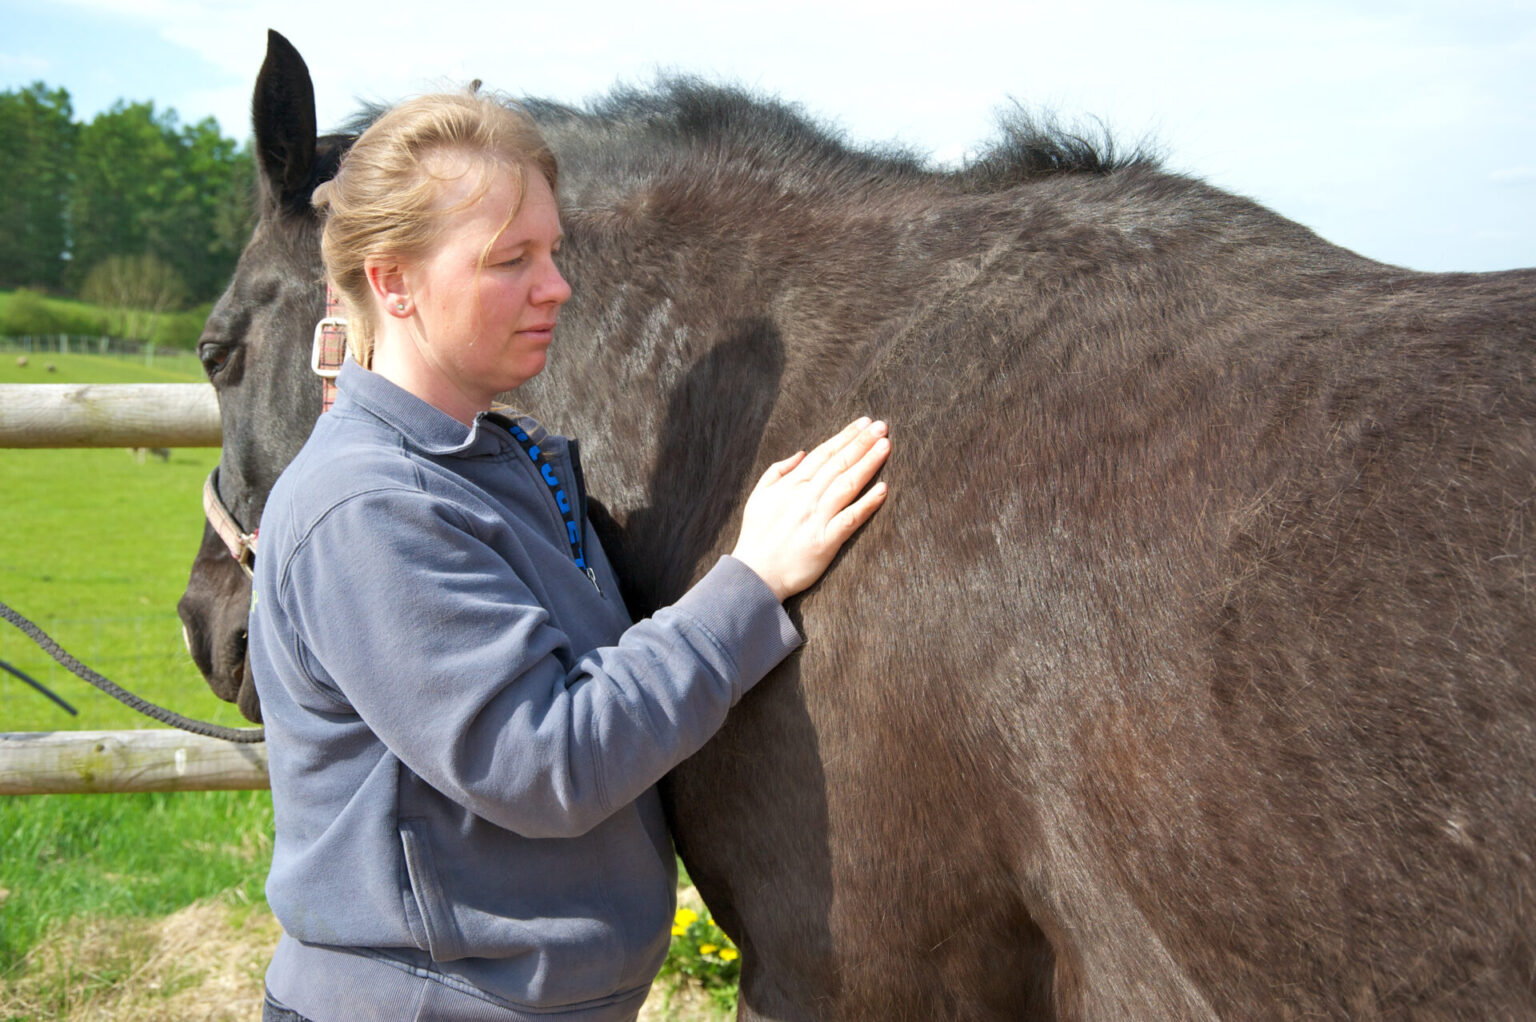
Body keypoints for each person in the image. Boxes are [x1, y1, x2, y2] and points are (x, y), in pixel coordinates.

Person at [250, 89, 890, 1022]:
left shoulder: (494, 460)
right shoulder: (369, 510)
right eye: (511, 261)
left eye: (553, 253)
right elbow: (548, 761)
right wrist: (751, 581)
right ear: (393, 285)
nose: (556, 287)